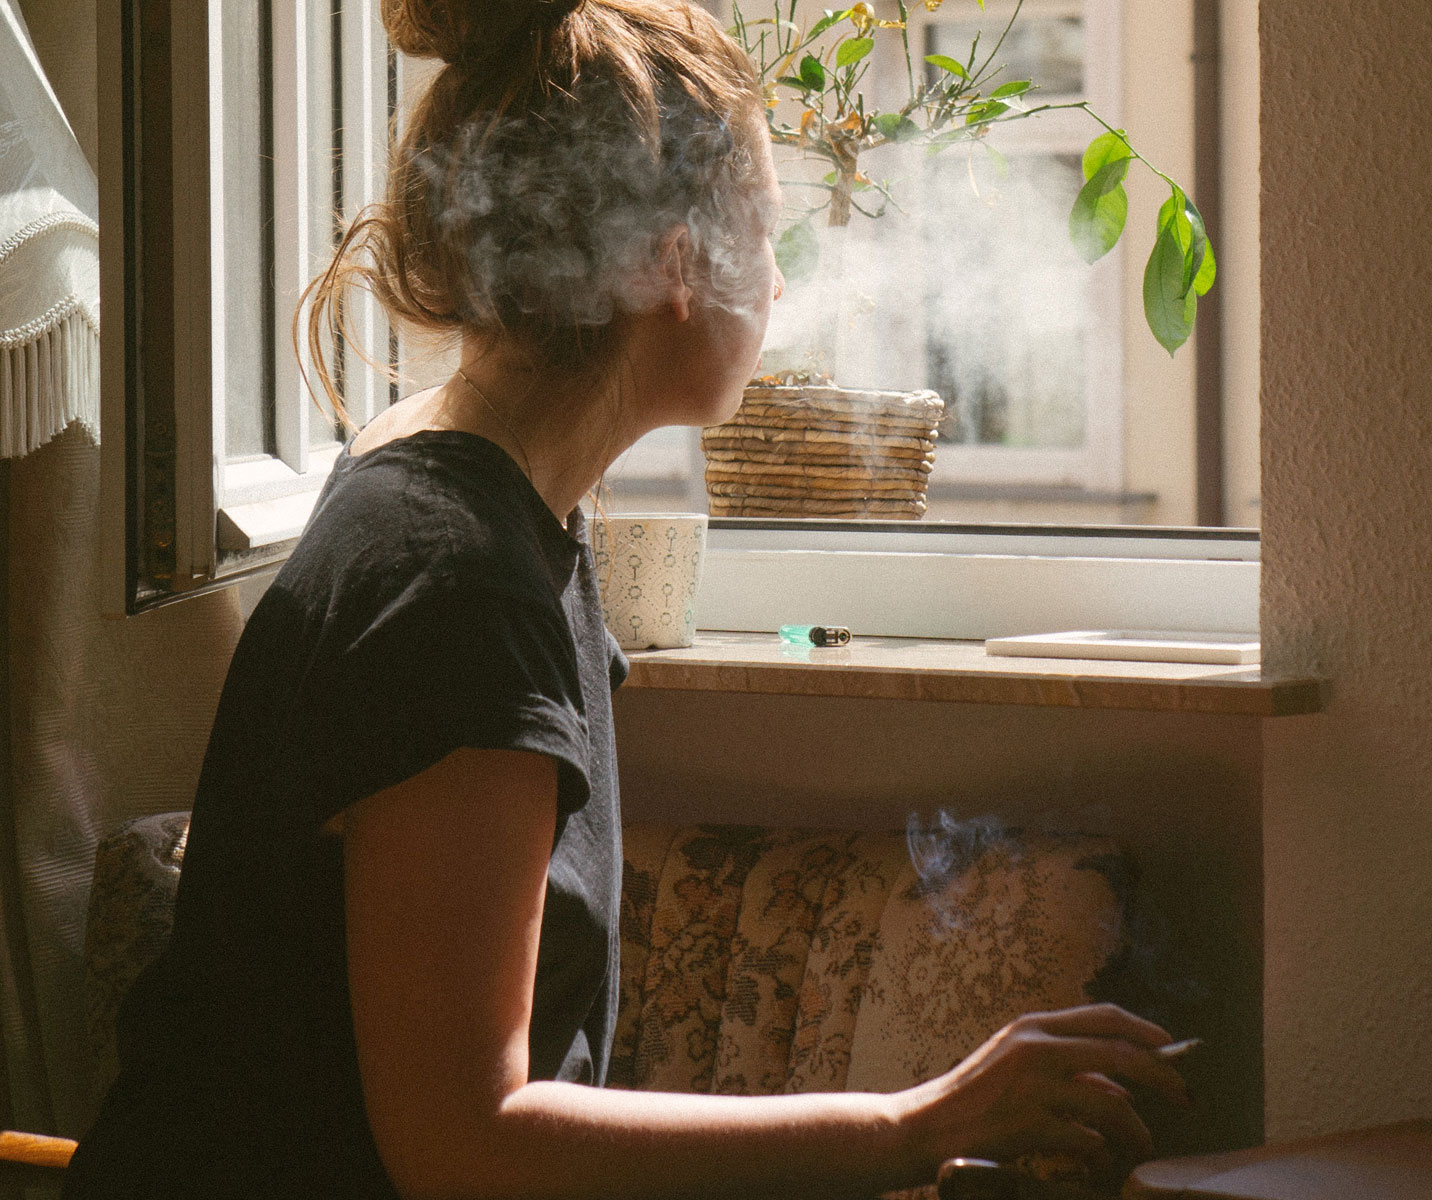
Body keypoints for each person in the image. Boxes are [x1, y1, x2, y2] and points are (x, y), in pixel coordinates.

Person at [64, 1, 1189, 1197]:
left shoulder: (483, 496)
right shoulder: (456, 588)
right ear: (671, 264)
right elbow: (464, 1144)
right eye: (761, 232)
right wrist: (918, 1121)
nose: (777, 282)